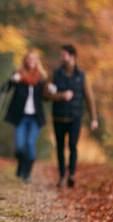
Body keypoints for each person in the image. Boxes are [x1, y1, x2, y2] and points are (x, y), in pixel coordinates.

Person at [44, 44, 98, 188]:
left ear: (72, 57)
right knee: (60, 147)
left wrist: (94, 118)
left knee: (73, 146)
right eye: (61, 55)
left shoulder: (81, 76)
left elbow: (89, 98)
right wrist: (61, 96)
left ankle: (72, 175)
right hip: (58, 118)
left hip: (75, 118)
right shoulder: (54, 74)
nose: (61, 58)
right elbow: (45, 94)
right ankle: (62, 176)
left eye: (63, 55)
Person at [2, 49, 49, 183]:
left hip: (35, 118)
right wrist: (12, 81)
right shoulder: (18, 75)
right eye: (29, 59)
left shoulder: (41, 77)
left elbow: (47, 96)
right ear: (25, 61)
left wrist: (52, 89)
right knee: (19, 146)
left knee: (30, 144)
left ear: (37, 62)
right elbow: (4, 90)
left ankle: (26, 173)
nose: (31, 62)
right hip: (20, 117)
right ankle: (21, 165)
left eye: (33, 59)